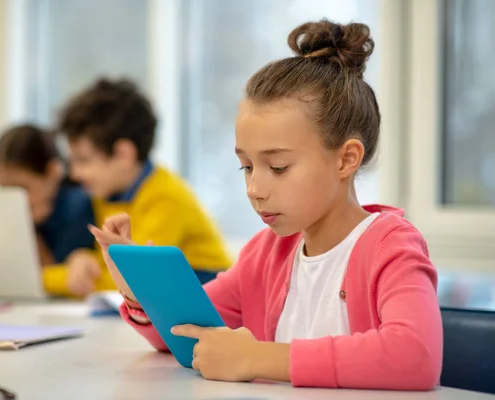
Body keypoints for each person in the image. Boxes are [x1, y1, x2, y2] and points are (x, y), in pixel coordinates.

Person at [89, 20, 443, 390]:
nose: (254, 189)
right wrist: (137, 290)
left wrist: (258, 358)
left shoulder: (390, 247)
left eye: (278, 167)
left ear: (346, 159)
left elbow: (415, 356)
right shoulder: (265, 255)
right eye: (246, 166)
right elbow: (182, 337)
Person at [57, 78, 232, 296]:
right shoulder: (106, 193)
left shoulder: (166, 198)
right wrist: (80, 259)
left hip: (208, 298)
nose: (74, 173)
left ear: (123, 154)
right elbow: (111, 263)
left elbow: (132, 279)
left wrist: (50, 277)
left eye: (83, 160)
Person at [0, 124, 96, 295]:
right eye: (5, 190)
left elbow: (63, 277)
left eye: (22, 188)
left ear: (53, 171)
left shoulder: (79, 205)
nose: (14, 199)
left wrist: (28, 230)